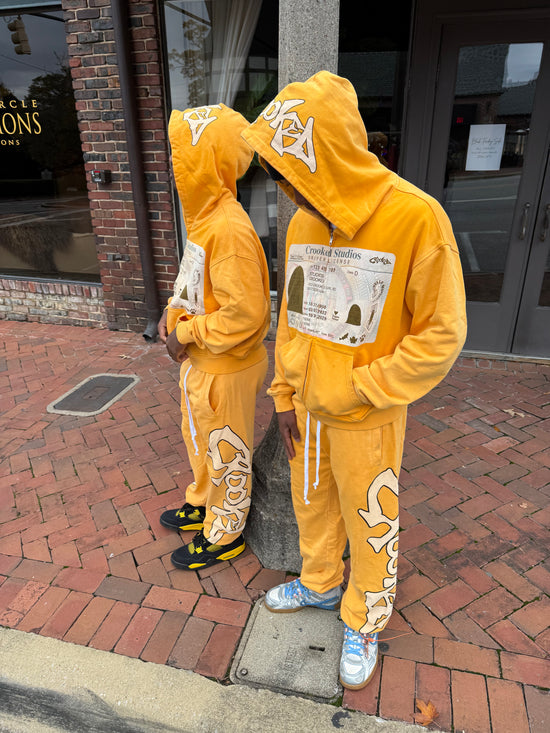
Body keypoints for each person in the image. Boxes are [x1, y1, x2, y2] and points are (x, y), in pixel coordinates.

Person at [242, 71, 466, 690]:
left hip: (368, 414)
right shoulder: (306, 225)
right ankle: (319, 583)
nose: (285, 191)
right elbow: (292, 317)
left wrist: (365, 387)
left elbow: (441, 335)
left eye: (292, 174)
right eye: (280, 176)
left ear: (327, 156)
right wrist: (284, 396)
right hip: (308, 411)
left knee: (370, 521)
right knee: (312, 505)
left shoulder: (417, 219)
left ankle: (364, 615)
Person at [158, 103, 270, 571]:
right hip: (203, 362)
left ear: (205, 161)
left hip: (225, 366)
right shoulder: (207, 219)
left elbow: (245, 315)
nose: (174, 164)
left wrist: (185, 331)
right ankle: (205, 502)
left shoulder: (227, 228)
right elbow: (193, 283)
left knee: (226, 450)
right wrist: (173, 317)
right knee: (202, 441)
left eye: (182, 155)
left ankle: (226, 533)